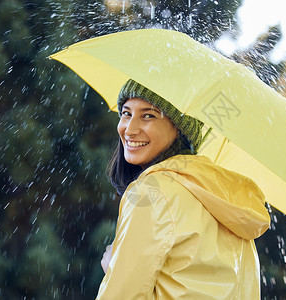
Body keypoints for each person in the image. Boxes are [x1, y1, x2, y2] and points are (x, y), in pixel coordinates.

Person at [97, 79, 271, 299]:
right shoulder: (229, 205)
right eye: (126, 113)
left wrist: (114, 269)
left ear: (180, 128)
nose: (129, 130)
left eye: (148, 115)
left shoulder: (151, 193)